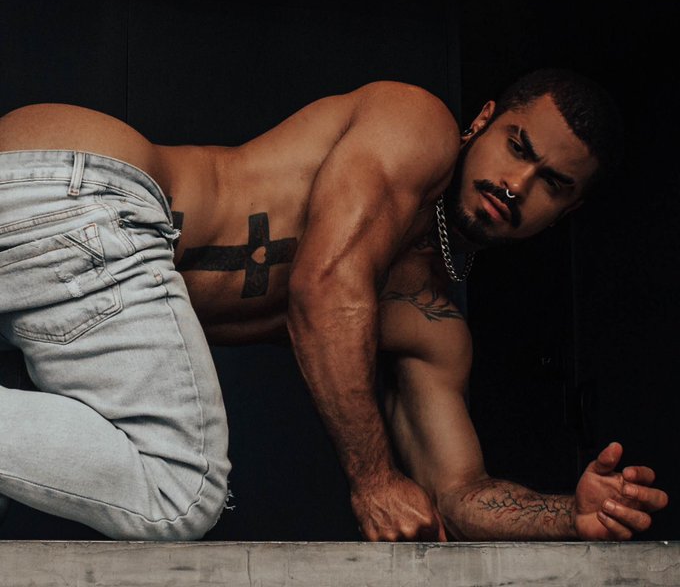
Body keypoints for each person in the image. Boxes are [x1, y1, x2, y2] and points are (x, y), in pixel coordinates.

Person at [0, 69, 668, 541]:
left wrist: (568, 514)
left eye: (552, 183)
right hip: (84, 191)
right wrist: (374, 481)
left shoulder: (432, 329)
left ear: (566, 211)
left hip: (53, 235)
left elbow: (455, 492)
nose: (516, 183)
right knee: (182, 486)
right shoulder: (417, 123)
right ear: (482, 121)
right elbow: (323, 284)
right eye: (517, 147)